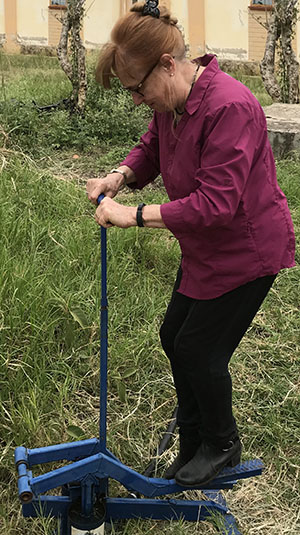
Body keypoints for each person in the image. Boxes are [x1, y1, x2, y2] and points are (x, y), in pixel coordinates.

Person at [86, 0, 295, 487]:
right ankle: (194, 434)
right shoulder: (174, 102)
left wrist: (132, 215)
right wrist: (120, 175)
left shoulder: (231, 106)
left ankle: (222, 443)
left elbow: (216, 205)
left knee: (201, 349)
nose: (137, 100)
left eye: (138, 89)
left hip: (247, 251)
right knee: (173, 336)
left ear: (167, 63)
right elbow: (153, 146)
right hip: (205, 249)